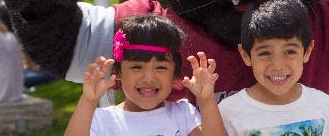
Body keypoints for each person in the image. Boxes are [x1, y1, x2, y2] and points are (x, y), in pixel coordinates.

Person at [64, 15, 226, 136]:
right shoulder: (99, 119)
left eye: (161, 68)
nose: (149, 78)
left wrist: (206, 100)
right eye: (136, 67)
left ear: (175, 73)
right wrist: (88, 101)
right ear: (118, 72)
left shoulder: (184, 114)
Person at [219, 0, 329, 135]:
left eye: (289, 51)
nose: (277, 65)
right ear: (246, 55)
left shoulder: (324, 105)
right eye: (265, 53)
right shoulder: (229, 111)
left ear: (307, 51)